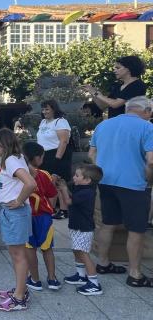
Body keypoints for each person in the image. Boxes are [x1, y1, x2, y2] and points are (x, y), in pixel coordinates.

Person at [89, 96, 153, 287]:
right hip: (134, 184)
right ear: (146, 110)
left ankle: (103, 263)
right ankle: (135, 274)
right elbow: (151, 161)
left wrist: (102, 171)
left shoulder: (103, 125)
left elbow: (92, 154)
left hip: (106, 182)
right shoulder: (147, 127)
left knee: (108, 224)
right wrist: (149, 180)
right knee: (136, 230)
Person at [0, 129, 37, 312]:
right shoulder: (17, 158)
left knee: (18, 256)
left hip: (15, 213)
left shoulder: (11, 160)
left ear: (2, 145)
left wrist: (18, 200)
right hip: (11, 213)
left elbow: (31, 183)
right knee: (17, 254)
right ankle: (20, 289)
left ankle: (19, 298)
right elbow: (33, 174)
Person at [58, 164, 105, 295]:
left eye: (77, 175)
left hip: (83, 228)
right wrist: (61, 183)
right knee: (77, 250)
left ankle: (94, 283)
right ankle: (81, 275)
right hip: (76, 226)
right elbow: (68, 187)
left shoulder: (87, 192)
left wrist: (63, 189)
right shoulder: (80, 187)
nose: (74, 177)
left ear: (87, 180)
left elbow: (68, 201)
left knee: (83, 253)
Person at [22, 142, 61, 292]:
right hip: (44, 217)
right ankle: (52, 278)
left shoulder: (19, 174)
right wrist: (49, 209)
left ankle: (35, 279)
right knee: (47, 248)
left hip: (27, 216)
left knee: (30, 248)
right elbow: (52, 194)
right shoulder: (44, 174)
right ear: (37, 158)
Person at [37, 100, 72, 220]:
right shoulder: (43, 122)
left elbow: (64, 141)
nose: (44, 111)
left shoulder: (60, 122)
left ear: (54, 109)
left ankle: (63, 210)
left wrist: (57, 159)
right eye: (43, 109)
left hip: (57, 154)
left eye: (47, 109)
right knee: (47, 183)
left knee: (57, 182)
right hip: (44, 155)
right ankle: (50, 209)